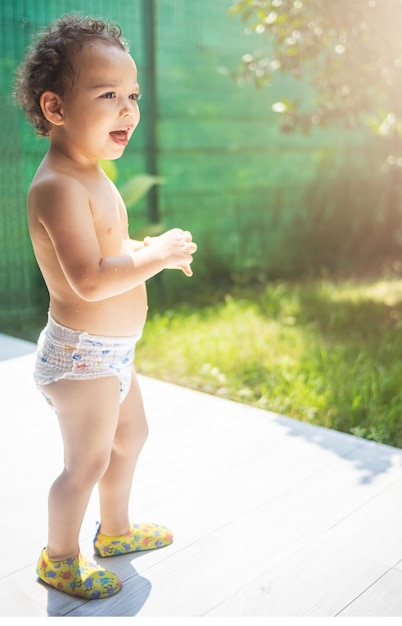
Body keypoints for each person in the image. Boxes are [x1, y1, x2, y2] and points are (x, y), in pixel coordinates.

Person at [14, 14, 197, 600]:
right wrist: (159, 255)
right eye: (109, 95)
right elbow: (90, 281)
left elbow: (109, 251)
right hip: (81, 358)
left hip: (114, 355)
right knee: (85, 464)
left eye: (133, 95)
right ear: (56, 108)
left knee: (131, 436)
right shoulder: (56, 186)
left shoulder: (91, 172)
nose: (128, 109)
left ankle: (114, 530)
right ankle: (58, 558)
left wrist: (143, 249)